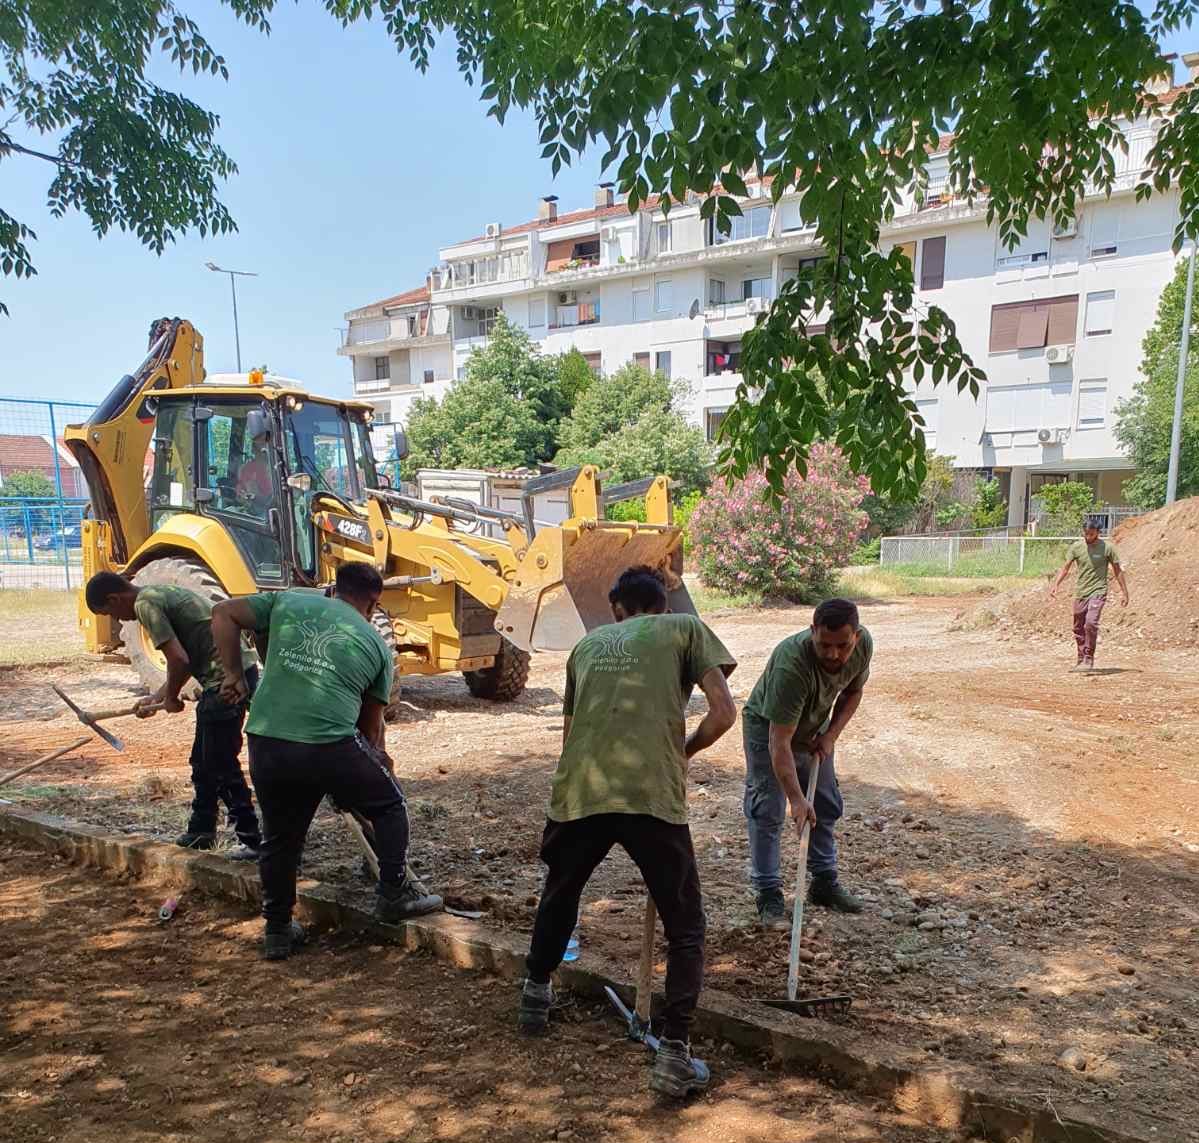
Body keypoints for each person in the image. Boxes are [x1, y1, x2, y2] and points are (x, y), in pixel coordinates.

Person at [518, 566, 737, 1100]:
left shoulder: (586, 646)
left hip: (580, 790)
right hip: (648, 796)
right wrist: (682, 753)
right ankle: (675, 1053)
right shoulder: (685, 628)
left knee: (560, 894)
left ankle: (534, 995)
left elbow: (570, 735)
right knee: (685, 926)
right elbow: (724, 713)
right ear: (662, 603)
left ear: (617, 608)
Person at [211, 562, 441, 961]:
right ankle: (393, 893)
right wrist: (360, 776)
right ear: (373, 603)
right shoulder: (375, 645)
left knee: (280, 839)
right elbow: (369, 732)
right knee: (390, 805)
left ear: (334, 589)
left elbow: (223, 613)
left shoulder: (287, 601)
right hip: (328, 744)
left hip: (267, 739)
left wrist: (233, 675)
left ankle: (279, 930)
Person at [83, 571, 262, 859]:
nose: (120, 621)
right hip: (236, 671)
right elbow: (189, 654)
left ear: (114, 598)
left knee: (218, 763)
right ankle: (201, 830)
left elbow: (179, 659)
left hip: (225, 680)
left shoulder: (145, 605)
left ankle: (252, 838)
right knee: (204, 760)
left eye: (110, 612)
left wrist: (170, 699)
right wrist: (159, 696)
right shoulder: (159, 593)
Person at [742, 597, 872, 926]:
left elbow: (852, 693)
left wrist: (830, 736)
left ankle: (824, 883)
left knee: (825, 804)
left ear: (855, 636)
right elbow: (779, 743)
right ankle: (768, 893)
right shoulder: (792, 664)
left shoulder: (863, 646)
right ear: (812, 630)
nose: (833, 654)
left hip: (814, 727)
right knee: (768, 808)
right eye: (824, 644)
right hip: (768, 730)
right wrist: (796, 800)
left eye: (842, 645)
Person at [1049, 514, 1130, 672]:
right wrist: (1056, 584)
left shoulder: (1108, 548)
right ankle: (1080, 659)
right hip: (1081, 592)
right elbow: (1066, 568)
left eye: (1091, 534)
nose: (1087, 536)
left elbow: (1117, 570)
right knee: (1078, 627)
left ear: (1098, 532)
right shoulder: (1076, 547)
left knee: (1090, 623)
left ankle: (1088, 658)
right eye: (1085, 533)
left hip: (1098, 590)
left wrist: (1124, 592)